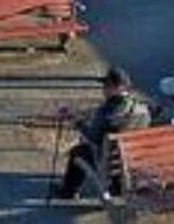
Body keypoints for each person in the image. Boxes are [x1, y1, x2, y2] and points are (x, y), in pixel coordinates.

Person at [56, 67, 150, 200]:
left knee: (78, 152)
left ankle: (68, 192)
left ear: (115, 87)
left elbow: (92, 137)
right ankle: (117, 185)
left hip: (106, 163)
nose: (103, 89)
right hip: (130, 159)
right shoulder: (141, 108)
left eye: (106, 85)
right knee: (112, 149)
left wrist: (77, 123)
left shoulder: (106, 112)